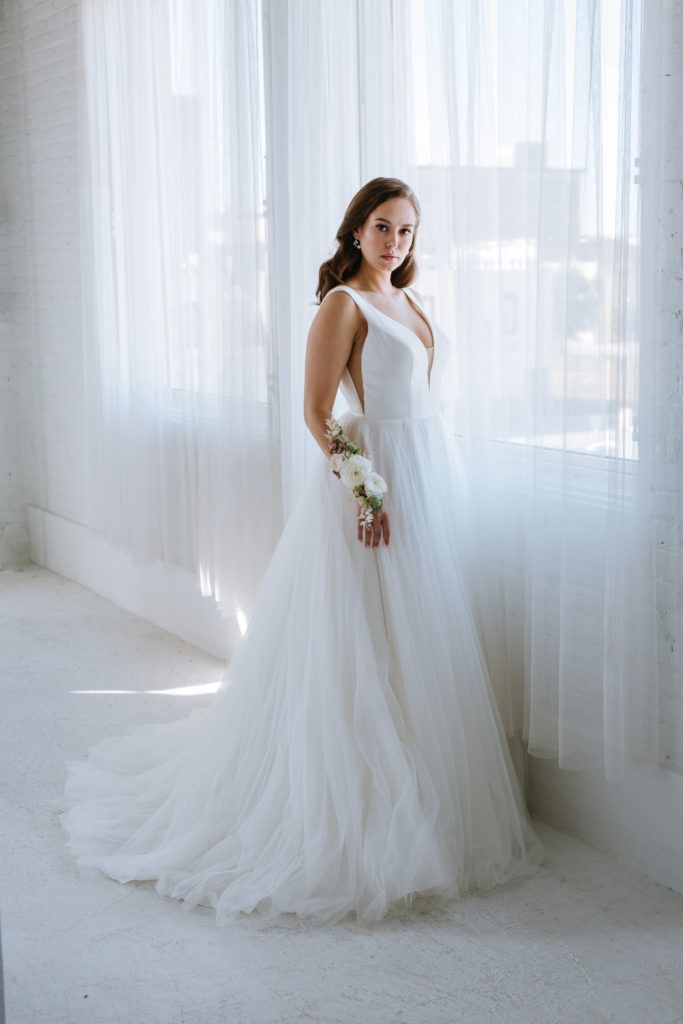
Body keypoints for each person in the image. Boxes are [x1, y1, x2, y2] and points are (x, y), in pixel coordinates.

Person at [58, 177, 544, 927]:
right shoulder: (341, 305)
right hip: (371, 484)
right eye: (381, 228)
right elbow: (318, 415)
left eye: (407, 231)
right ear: (355, 231)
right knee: (359, 641)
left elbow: (423, 399)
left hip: (427, 478)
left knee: (419, 641)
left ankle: (418, 799)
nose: (394, 243)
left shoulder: (414, 304)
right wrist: (362, 487)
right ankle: (347, 801)